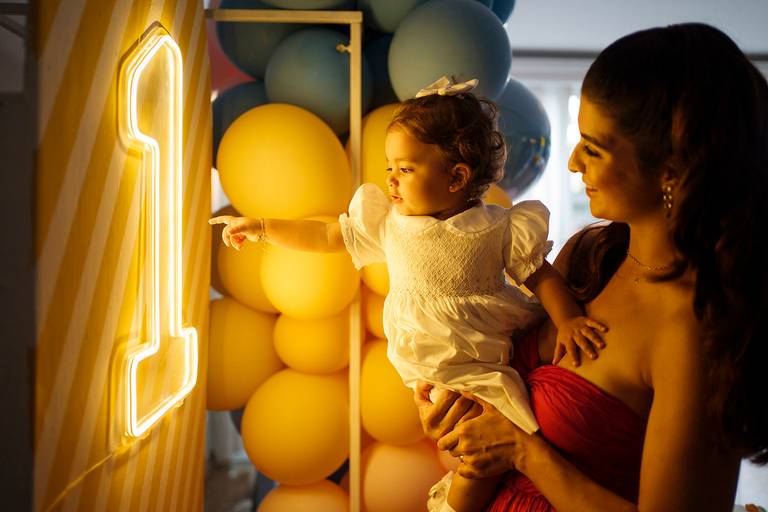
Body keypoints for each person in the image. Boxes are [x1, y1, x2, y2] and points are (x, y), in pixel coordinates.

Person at [210, 76, 607, 512]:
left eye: (406, 169)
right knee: (479, 442)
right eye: (389, 168)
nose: (392, 182)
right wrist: (265, 228)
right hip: (429, 360)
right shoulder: (390, 224)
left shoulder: (496, 226)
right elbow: (325, 235)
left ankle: (455, 504)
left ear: (456, 176)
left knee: (492, 441)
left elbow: (540, 275)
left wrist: (567, 318)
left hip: (481, 357)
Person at [415, 23, 768, 511]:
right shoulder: (588, 256)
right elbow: (497, 395)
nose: (574, 163)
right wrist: (453, 417)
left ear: (672, 168)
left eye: (594, 147)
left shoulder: (694, 330)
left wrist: (524, 452)